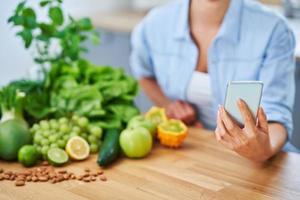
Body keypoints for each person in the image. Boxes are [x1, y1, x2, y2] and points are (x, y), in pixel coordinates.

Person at [130, 0, 297, 162]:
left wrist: (264, 149)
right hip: (185, 152)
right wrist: (168, 104)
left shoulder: (274, 30)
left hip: (255, 162)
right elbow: (144, 74)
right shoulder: (154, 24)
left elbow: (277, 116)